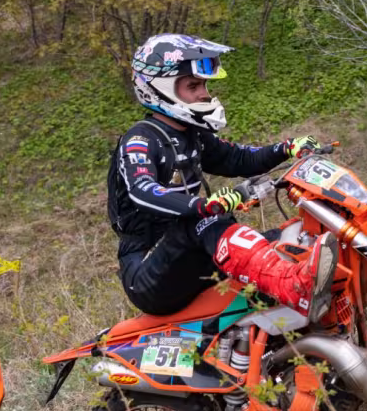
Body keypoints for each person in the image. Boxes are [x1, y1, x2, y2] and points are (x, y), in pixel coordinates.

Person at [108, 34, 339, 319]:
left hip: (192, 257)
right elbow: (142, 189)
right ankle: (293, 288)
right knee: (206, 219)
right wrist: (204, 205)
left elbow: (239, 159)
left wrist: (287, 147)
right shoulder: (140, 140)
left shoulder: (193, 135)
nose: (204, 94)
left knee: (282, 241)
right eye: (193, 86)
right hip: (146, 272)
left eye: (204, 85)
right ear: (160, 88)